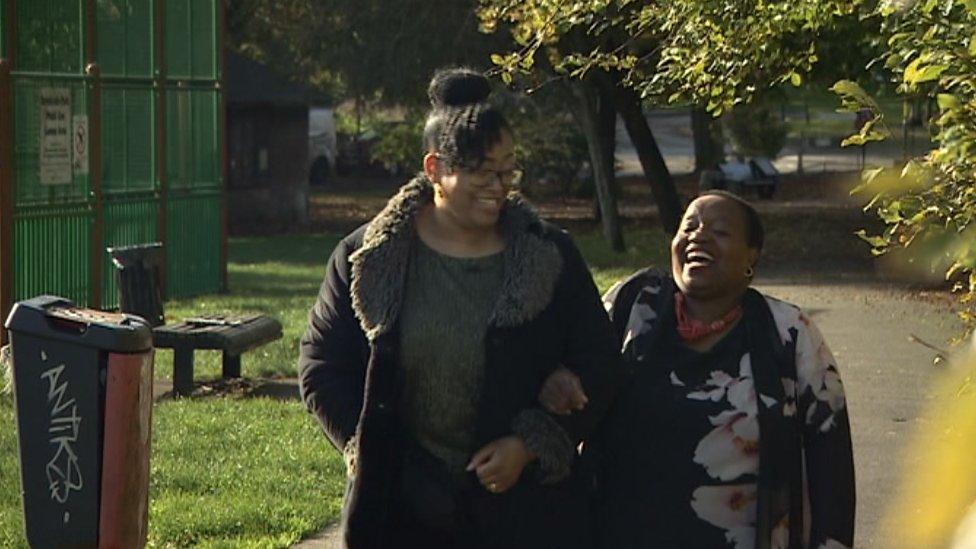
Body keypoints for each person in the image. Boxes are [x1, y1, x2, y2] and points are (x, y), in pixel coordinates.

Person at [297, 67, 621, 549]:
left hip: (525, 516)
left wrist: (531, 443)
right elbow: (322, 367)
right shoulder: (366, 257)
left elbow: (600, 363)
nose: (499, 185)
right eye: (480, 171)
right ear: (434, 170)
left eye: (508, 169)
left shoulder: (550, 254)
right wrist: (375, 455)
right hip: (401, 513)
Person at [541, 191, 856, 548]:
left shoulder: (789, 333)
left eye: (720, 231)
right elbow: (569, 362)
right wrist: (557, 373)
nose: (698, 236)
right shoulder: (631, 305)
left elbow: (831, 468)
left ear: (751, 255)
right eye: (688, 226)